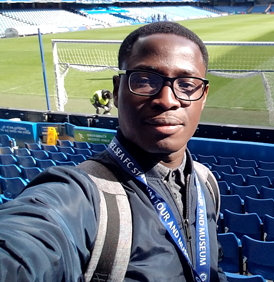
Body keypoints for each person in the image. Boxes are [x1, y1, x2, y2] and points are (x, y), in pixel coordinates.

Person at [0, 21, 226, 282]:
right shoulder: (82, 194)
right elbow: (26, 241)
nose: (167, 100)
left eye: (186, 84)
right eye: (144, 80)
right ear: (117, 91)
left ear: (204, 94)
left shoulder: (206, 183)